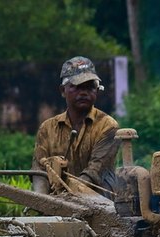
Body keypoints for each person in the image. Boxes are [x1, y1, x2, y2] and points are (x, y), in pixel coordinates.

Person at [31, 56, 119, 197]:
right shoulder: (47, 129)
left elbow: (94, 173)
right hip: (56, 206)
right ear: (62, 90)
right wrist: (41, 201)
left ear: (97, 90)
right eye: (77, 87)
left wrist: (66, 198)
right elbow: (39, 173)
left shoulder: (108, 126)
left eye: (90, 87)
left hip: (101, 207)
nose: (84, 92)